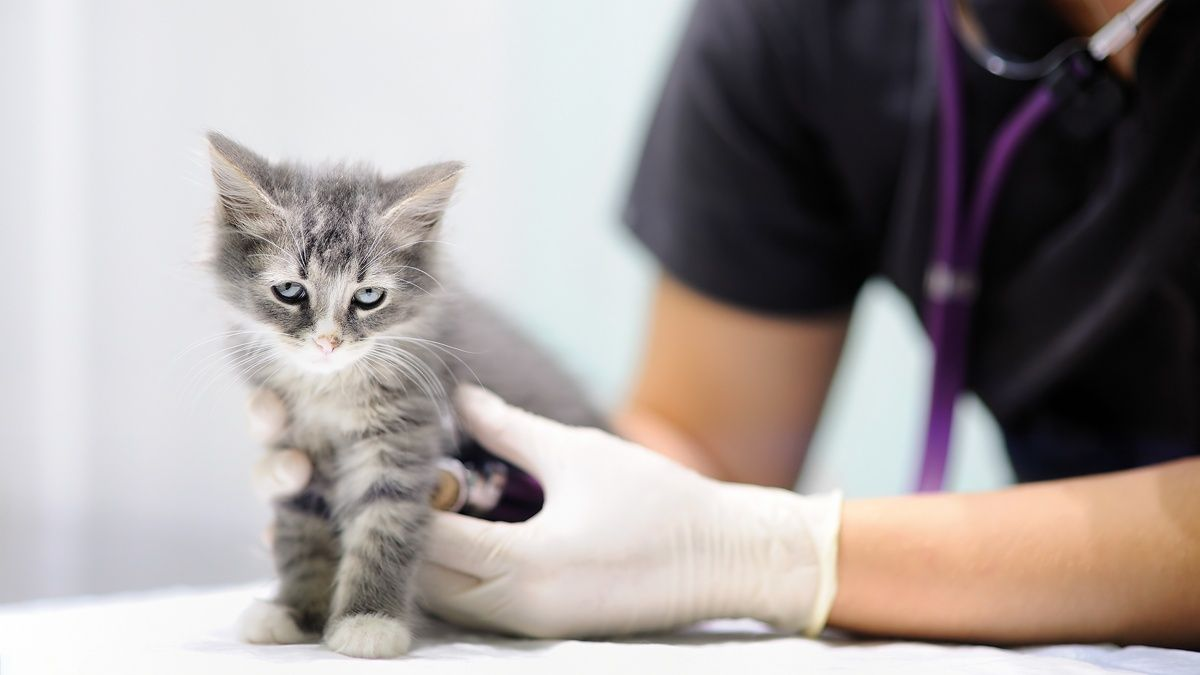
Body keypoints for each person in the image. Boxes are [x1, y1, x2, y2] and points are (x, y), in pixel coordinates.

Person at [252, 0, 1200, 648]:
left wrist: (775, 552)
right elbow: (705, 456)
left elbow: (727, 526)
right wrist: (488, 471)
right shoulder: (800, 29)